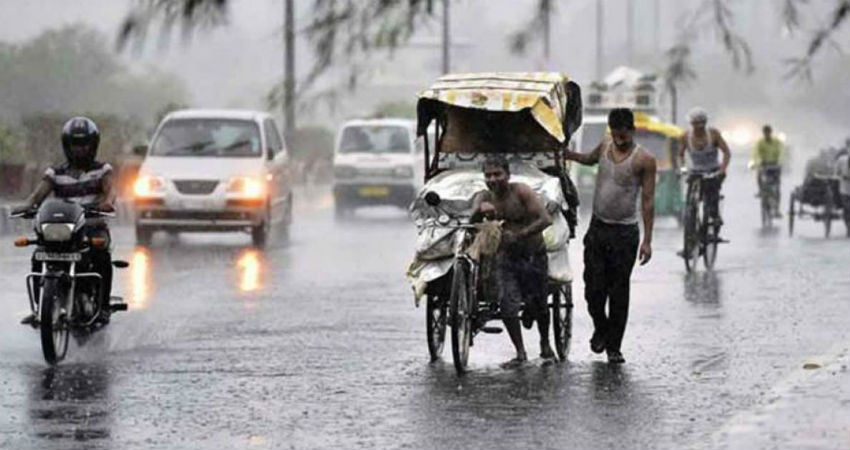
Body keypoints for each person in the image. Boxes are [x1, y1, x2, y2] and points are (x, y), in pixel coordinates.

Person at [564, 108, 656, 364]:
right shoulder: (605, 144)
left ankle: (614, 347)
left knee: (618, 291)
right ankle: (600, 328)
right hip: (597, 229)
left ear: (633, 131)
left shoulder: (644, 160)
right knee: (593, 289)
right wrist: (568, 154)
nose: (620, 140)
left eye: (624, 136)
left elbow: (648, 202)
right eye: (616, 135)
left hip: (625, 233)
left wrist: (647, 241)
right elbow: (590, 159)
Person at [13, 117, 116, 324]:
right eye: (75, 144)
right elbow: (36, 197)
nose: (80, 149)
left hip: (91, 228)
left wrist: (107, 203)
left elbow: (110, 192)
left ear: (93, 145)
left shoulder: (102, 170)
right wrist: (26, 206)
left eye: (84, 144)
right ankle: (38, 309)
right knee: (38, 255)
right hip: (62, 229)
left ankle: (103, 306)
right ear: (66, 145)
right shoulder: (55, 173)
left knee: (102, 256)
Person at [471, 155, 554, 367]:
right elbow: (471, 223)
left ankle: (545, 344)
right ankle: (520, 353)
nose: (493, 179)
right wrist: (480, 212)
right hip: (506, 258)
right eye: (488, 175)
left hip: (533, 255)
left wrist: (520, 234)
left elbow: (545, 219)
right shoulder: (484, 197)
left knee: (540, 305)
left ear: (507, 175)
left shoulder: (521, 192)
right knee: (508, 306)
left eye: (497, 174)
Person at [678, 107, 731, 225]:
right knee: (692, 191)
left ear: (705, 123)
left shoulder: (713, 134)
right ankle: (690, 213)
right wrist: (683, 168)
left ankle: (714, 214)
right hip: (695, 170)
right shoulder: (685, 136)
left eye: (702, 123)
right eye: (696, 123)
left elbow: (726, 152)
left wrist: (722, 169)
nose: (699, 126)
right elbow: (680, 155)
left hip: (713, 170)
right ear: (691, 124)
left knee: (712, 191)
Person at [751, 124, 784, 217]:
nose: (766, 134)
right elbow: (755, 153)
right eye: (765, 132)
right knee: (759, 176)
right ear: (763, 133)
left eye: (768, 132)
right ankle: (761, 190)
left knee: (777, 187)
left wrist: (780, 162)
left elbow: (782, 152)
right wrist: (755, 162)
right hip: (764, 164)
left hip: (775, 165)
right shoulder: (760, 142)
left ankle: (777, 209)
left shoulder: (776, 142)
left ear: (770, 132)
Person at [836, 150, 850, 237]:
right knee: (847, 208)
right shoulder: (841, 160)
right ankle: (848, 227)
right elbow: (837, 172)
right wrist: (842, 176)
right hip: (844, 188)